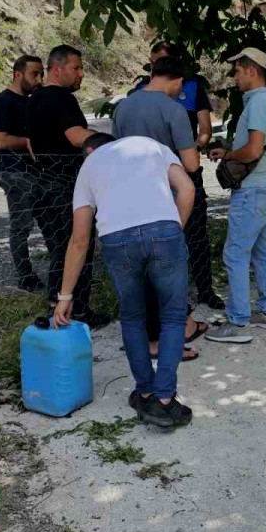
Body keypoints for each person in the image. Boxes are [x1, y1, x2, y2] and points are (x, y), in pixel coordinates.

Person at [53, 132, 195, 428]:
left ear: (91, 150)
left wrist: (65, 296)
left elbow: (80, 240)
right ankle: (165, 400)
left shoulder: (89, 167)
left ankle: (144, 391)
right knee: (172, 316)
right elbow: (187, 188)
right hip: (164, 230)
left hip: (117, 239)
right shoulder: (148, 145)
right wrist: (173, 230)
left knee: (132, 317)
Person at [114, 55, 208, 361]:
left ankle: (157, 333)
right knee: (167, 270)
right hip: (164, 201)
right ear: (178, 82)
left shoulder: (123, 107)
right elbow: (191, 163)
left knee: (139, 271)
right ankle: (165, 338)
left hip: (129, 199)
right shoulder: (174, 110)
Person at [129, 41, 224, 309]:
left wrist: (191, 150)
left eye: (160, 60)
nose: (154, 65)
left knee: (196, 235)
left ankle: (204, 289)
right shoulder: (136, 93)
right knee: (161, 237)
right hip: (151, 179)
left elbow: (204, 129)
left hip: (185, 172)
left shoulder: (191, 88)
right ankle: (169, 298)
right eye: (152, 60)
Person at [25, 44, 110, 329]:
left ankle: (55, 305)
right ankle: (80, 310)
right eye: (76, 68)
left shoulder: (34, 98)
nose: (81, 74)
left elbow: (30, 143)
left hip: (40, 185)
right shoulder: (61, 99)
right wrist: (111, 143)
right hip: (66, 186)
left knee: (58, 250)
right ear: (57, 68)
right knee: (78, 248)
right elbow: (76, 137)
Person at [204, 47, 266, 343]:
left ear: (251, 70)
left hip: (252, 191)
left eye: (237, 71)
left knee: (235, 253)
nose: (234, 77)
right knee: (260, 250)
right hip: (262, 187)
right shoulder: (264, 102)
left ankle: (237, 324)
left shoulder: (258, 104)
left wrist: (227, 154)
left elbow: (252, 150)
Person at [0, 55, 45, 292]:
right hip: (15, 172)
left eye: (42, 74)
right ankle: (25, 275)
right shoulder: (2, 102)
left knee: (51, 222)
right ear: (18, 74)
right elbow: (2, 140)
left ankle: (61, 269)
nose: (39, 79)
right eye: (34, 74)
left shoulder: (34, 101)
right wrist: (29, 141)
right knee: (21, 226)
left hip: (39, 171)